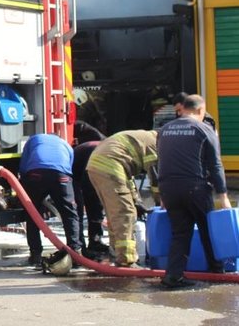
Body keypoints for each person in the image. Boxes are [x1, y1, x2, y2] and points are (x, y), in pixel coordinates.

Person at [157, 94, 232, 288]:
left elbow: (161, 161)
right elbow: (215, 165)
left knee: (180, 233)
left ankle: (173, 276)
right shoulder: (204, 129)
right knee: (209, 230)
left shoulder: (164, 130)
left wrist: (162, 195)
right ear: (200, 110)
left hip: (168, 188)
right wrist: (223, 195)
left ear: (183, 108)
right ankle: (218, 272)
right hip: (195, 187)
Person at [85, 129, 159, 267]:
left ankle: (116, 254)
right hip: (110, 167)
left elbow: (127, 176)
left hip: (98, 167)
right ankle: (126, 260)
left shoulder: (142, 137)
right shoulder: (154, 144)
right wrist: (160, 202)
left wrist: (136, 200)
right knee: (125, 213)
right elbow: (155, 179)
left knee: (115, 213)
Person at [19, 133, 83, 267]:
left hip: (35, 175)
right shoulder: (66, 144)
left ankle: (36, 254)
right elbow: (69, 168)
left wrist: (25, 184)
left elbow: (23, 165)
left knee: (33, 215)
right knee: (70, 214)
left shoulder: (33, 139)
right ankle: (76, 253)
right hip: (62, 177)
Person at [72, 140, 110, 257]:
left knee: (94, 205)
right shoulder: (106, 152)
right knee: (82, 208)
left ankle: (94, 241)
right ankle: (80, 246)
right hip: (76, 173)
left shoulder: (108, 149)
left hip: (88, 166)